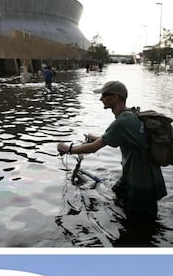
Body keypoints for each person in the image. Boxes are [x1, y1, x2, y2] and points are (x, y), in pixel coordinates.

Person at [57, 80, 167, 222]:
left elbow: (93, 148)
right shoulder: (131, 115)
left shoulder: (121, 123)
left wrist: (68, 149)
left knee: (144, 226)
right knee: (119, 196)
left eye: (104, 95)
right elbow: (121, 138)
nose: (101, 99)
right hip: (142, 177)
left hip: (141, 183)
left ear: (114, 97)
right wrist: (97, 138)